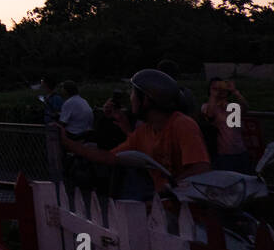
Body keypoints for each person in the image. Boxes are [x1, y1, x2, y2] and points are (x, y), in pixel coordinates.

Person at [59, 68, 209, 198]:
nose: (130, 98)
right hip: (164, 208)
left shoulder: (182, 125)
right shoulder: (144, 131)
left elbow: (200, 168)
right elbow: (111, 157)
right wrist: (68, 143)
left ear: (146, 100)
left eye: (133, 93)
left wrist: (170, 188)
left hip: (192, 212)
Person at [202, 78, 253, 173]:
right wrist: (213, 94)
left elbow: (246, 107)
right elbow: (210, 114)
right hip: (223, 154)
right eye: (215, 87)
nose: (220, 90)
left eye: (221, 87)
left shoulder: (233, 107)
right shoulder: (207, 106)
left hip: (241, 151)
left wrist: (235, 91)